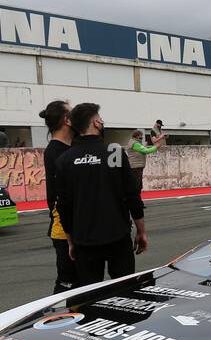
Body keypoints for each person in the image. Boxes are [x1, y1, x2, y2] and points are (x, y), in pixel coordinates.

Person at [56, 102, 147, 284]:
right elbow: (132, 196)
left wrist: (70, 240)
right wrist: (141, 231)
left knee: (90, 294)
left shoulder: (65, 159)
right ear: (96, 123)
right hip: (117, 236)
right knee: (124, 290)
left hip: (84, 240)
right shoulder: (113, 152)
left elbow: (63, 206)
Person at [40, 99, 75, 292]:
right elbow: (62, 195)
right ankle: (58, 318)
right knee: (67, 280)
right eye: (72, 113)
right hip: (63, 226)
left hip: (72, 223)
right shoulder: (55, 150)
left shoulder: (69, 147)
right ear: (66, 120)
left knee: (78, 280)